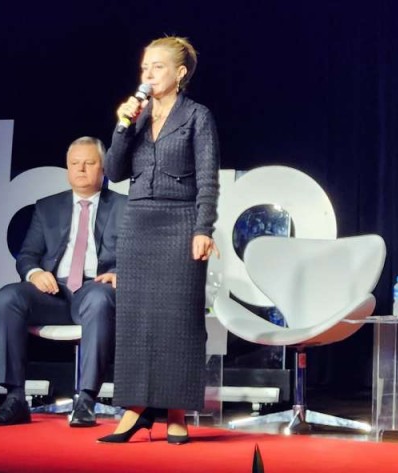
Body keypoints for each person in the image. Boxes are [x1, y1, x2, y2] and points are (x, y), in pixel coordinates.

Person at [98, 36, 220, 445]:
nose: (148, 74)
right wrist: (122, 125)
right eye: (144, 67)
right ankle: (134, 409)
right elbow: (114, 172)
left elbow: (207, 179)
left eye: (158, 66)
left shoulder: (197, 116)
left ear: (180, 73)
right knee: (136, 320)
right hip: (139, 222)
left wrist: (203, 229)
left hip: (181, 221)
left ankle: (176, 412)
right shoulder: (137, 115)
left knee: (179, 321)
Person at [0, 136, 126, 428]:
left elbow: (142, 253)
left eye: (89, 163)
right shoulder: (47, 207)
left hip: (95, 289)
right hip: (53, 293)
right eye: (75, 163)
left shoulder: (124, 207)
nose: (81, 169)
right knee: (8, 297)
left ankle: (86, 400)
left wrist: (121, 273)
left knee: (99, 298)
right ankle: (15, 398)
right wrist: (35, 273)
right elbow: (27, 255)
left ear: (104, 168)